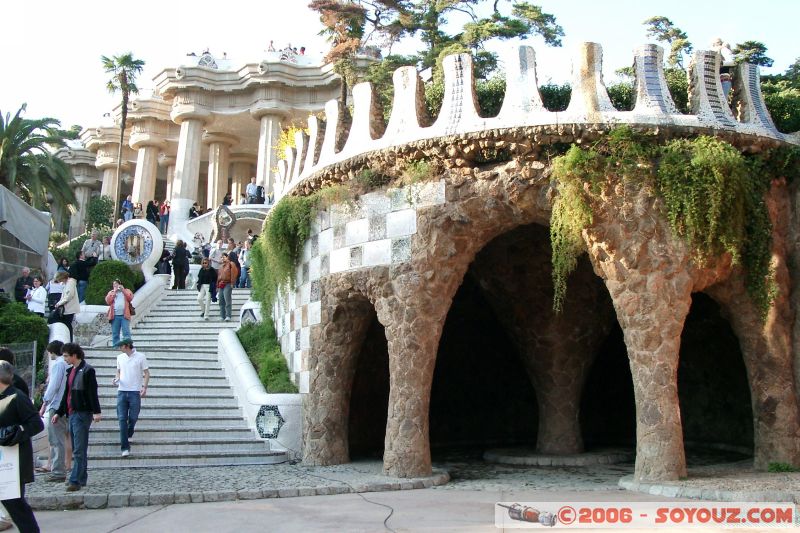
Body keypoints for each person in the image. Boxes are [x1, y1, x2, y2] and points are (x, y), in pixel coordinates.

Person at [0, 360, 43, 533]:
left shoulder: (17, 397)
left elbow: (36, 423)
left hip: (13, 460)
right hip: (3, 458)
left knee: (15, 503)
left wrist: (16, 432)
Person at [52, 343, 101, 492]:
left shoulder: (87, 371)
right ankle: (81, 477)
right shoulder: (70, 371)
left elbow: (92, 392)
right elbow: (66, 395)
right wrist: (59, 412)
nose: (64, 358)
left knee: (79, 449)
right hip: (72, 412)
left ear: (74, 355)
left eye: (66, 355)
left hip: (82, 413)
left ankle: (75, 480)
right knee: (78, 448)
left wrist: (96, 411)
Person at [39, 341, 69, 483]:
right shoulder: (67, 364)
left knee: (56, 440)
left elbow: (54, 386)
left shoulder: (58, 364)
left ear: (52, 351)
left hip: (57, 405)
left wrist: (45, 402)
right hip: (66, 406)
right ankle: (61, 468)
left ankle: (58, 471)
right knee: (62, 439)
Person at [113, 339, 149, 457]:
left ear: (127, 346)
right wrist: (116, 379)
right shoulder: (120, 357)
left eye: (121, 346)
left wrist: (144, 387)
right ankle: (125, 447)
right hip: (122, 391)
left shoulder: (140, 357)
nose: (119, 348)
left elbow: (147, 373)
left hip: (134, 392)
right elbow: (118, 371)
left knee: (133, 417)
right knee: (122, 419)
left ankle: (129, 432)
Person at [52, 271, 80, 342]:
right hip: (68, 307)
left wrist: (59, 303)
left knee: (67, 325)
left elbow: (69, 295)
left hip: (69, 308)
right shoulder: (68, 283)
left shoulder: (70, 283)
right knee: (67, 324)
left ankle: (69, 340)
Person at [105, 279, 134, 347]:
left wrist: (123, 290)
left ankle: (128, 346)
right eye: (113, 284)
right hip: (114, 316)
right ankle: (116, 346)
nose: (115, 285)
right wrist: (114, 292)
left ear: (120, 284)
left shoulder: (126, 291)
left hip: (125, 315)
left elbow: (130, 298)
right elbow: (108, 301)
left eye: (116, 284)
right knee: (115, 333)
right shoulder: (111, 292)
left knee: (126, 332)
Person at [217, 253, 238, 322]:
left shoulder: (231, 264)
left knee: (227, 299)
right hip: (221, 284)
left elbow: (234, 273)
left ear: (227, 257)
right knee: (221, 300)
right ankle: (222, 316)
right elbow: (218, 276)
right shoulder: (221, 266)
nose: (222, 258)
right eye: (221, 257)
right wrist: (217, 285)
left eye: (224, 257)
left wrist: (232, 282)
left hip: (228, 283)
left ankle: (228, 315)